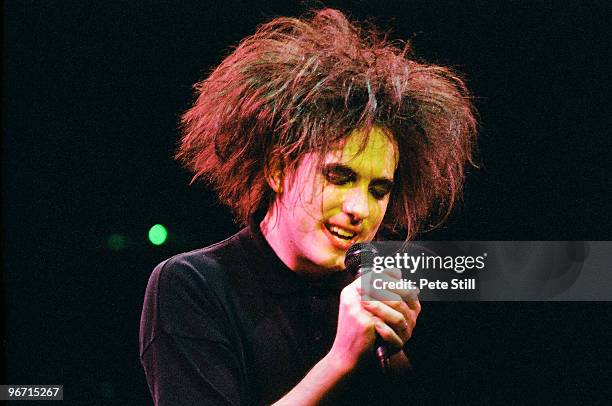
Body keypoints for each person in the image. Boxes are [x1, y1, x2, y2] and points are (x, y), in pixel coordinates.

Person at [139, 8, 476, 405]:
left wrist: (395, 353)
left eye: (379, 189)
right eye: (339, 177)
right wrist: (342, 359)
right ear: (278, 169)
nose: (359, 208)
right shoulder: (194, 285)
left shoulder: (395, 292)